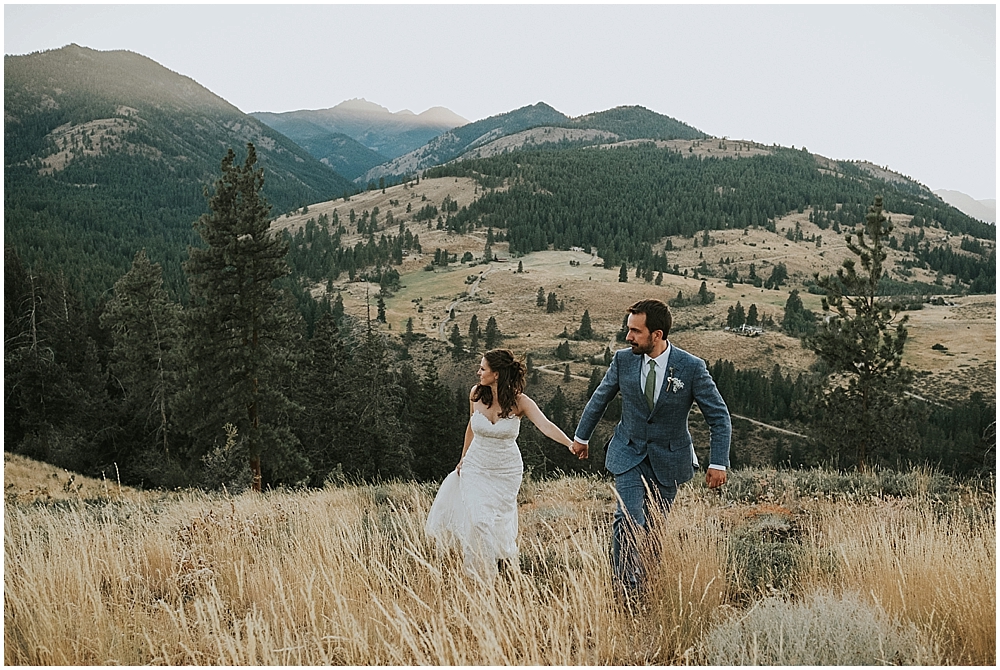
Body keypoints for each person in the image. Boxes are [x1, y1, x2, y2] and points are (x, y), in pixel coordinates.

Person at [571, 298, 731, 600]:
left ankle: (646, 583)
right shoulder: (623, 360)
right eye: (628, 330)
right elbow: (599, 398)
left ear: (656, 335)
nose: (628, 336)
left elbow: (719, 417)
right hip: (628, 452)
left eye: (635, 331)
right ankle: (624, 591)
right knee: (629, 518)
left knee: (655, 527)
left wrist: (719, 462)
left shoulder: (692, 368)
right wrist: (582, 437)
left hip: (670, 458)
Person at [425, 348, 575, 581]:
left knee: (497, 521)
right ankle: (484, 577)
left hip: (506, 471)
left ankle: (500, 567)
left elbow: (545, 426)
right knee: (479, 520)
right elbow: (470, 427)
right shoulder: (475, 393)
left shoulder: (520, 402)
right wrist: (463, 457)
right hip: (476, 466)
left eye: (483, 368)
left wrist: (570, 444)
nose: (478, 372)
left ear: (496, 374)